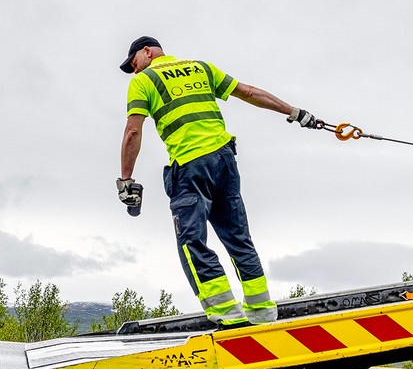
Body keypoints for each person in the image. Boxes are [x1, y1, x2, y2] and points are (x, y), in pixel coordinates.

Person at [117, 36, 319, 327]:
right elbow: (248, 92)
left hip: (190, 167)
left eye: (134, 63)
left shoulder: (144, 81)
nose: (135, 71)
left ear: (147, 51)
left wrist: (126, 179)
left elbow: (133, 132)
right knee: (239, 239)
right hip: (225, 161)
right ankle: (262, 314)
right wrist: (295, 112)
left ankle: (228, 317)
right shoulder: (201, 67)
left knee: (192, 243)